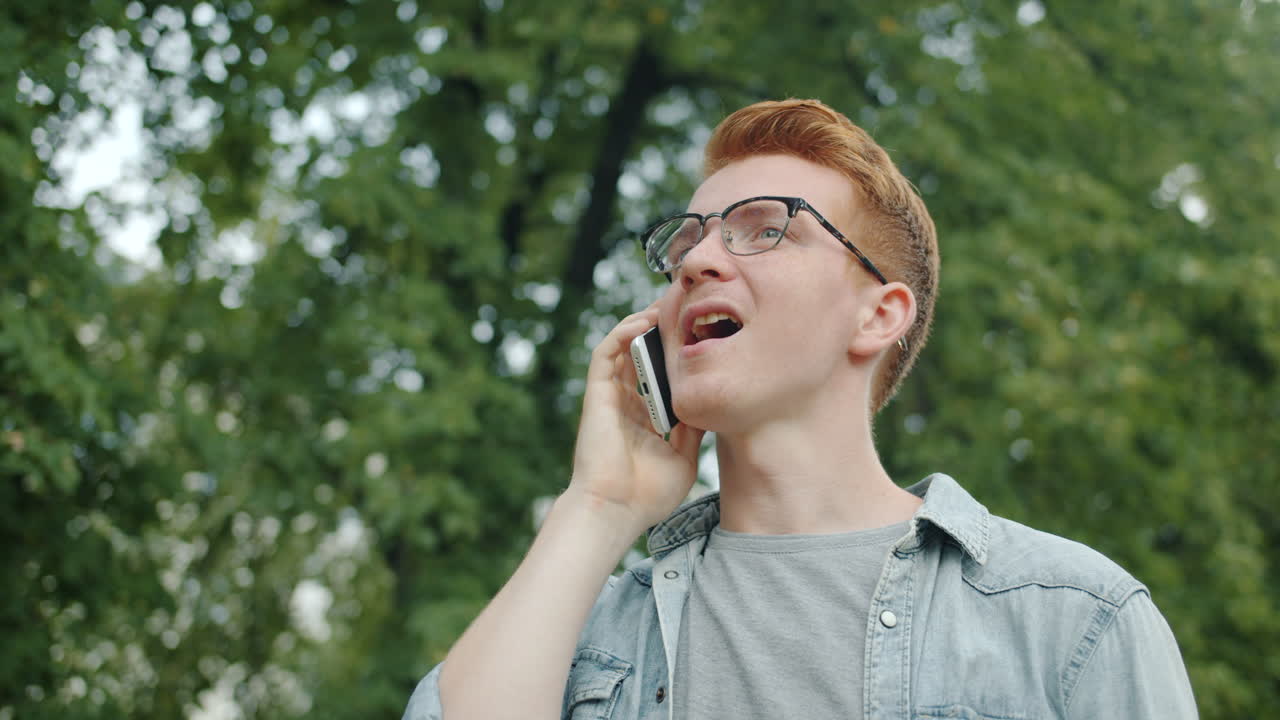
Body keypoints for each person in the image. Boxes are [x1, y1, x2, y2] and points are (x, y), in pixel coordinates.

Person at [402, 98, 1197, 719]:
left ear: (879, 315)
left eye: (765, 230)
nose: (698, 261)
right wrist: (597, 507)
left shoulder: (1073, 621)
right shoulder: (584, 636)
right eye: (686, 242)